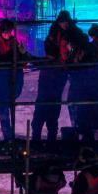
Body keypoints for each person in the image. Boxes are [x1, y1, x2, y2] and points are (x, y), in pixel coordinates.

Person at [31, 11, 72, 143]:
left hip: (55, 74)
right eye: (63, 22)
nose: (65, 24)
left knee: (49, 107)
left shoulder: (60, 36)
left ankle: (44, 140)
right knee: (47, 106)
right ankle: (44, 140)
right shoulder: (56, 36)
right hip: (54, 73)